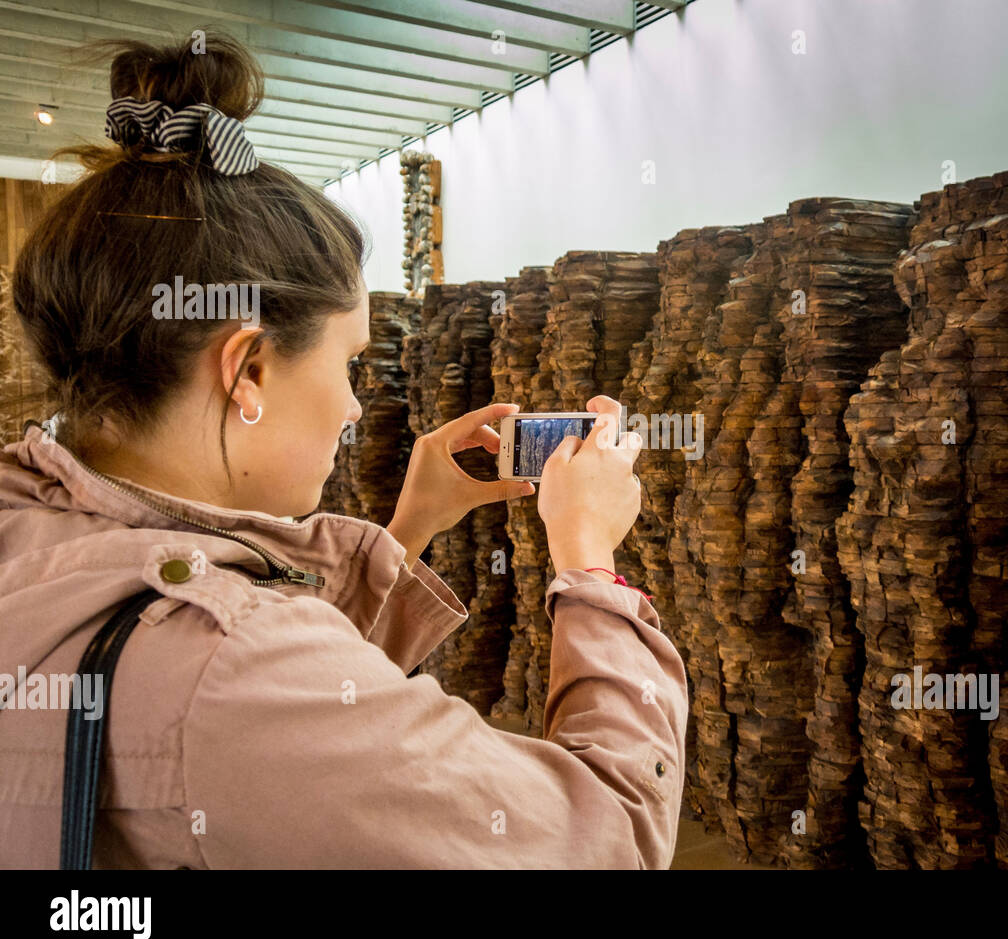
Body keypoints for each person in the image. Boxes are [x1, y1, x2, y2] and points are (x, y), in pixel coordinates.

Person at [0, 34, 687, 869]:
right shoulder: (232, 669)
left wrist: (411, 525)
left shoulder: (30, 525)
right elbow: (603, 838)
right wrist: (590, 567)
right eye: (347, 362)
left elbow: (283, 748)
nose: (355, 403)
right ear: (248, 368)